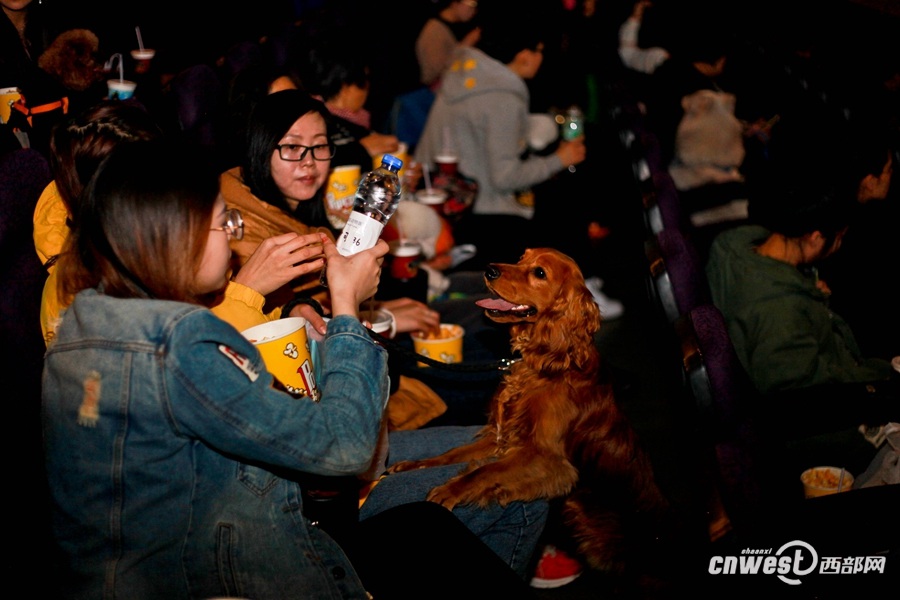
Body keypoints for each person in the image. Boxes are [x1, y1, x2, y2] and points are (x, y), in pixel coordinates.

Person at [43, 137, 547, 596]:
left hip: (182, 551)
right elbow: (346, 445)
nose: (234, 235)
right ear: (174, 237)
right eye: (225, 223)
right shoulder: (180, 342)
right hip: (239, 566)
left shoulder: (80, 325)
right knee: (524, 484)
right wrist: (347, 305)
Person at [705, 161, 898, 474]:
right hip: (808, 429)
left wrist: (805, 285)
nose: (839, 245)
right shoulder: (780, 311)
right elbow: (804, 392)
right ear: (816, 237)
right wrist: (882, 377)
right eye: (838, 237)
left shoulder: (730, 245)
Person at [413, 10, 586, 268]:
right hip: (477, 214)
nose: (541, 58)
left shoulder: (467, 75)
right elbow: (505, 177)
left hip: (438, 200)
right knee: (563, 204)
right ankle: (578, 287)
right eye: (538, 50)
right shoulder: (502, 97)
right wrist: (561, 159)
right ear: (523, 56)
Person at [414, 0, 481, 90]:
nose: (474, 10)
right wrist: (465, 45)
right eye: (471, 5)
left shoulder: (460, 27)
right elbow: (437, 71)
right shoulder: (435, 30)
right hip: (434, 93)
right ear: (454, 3)